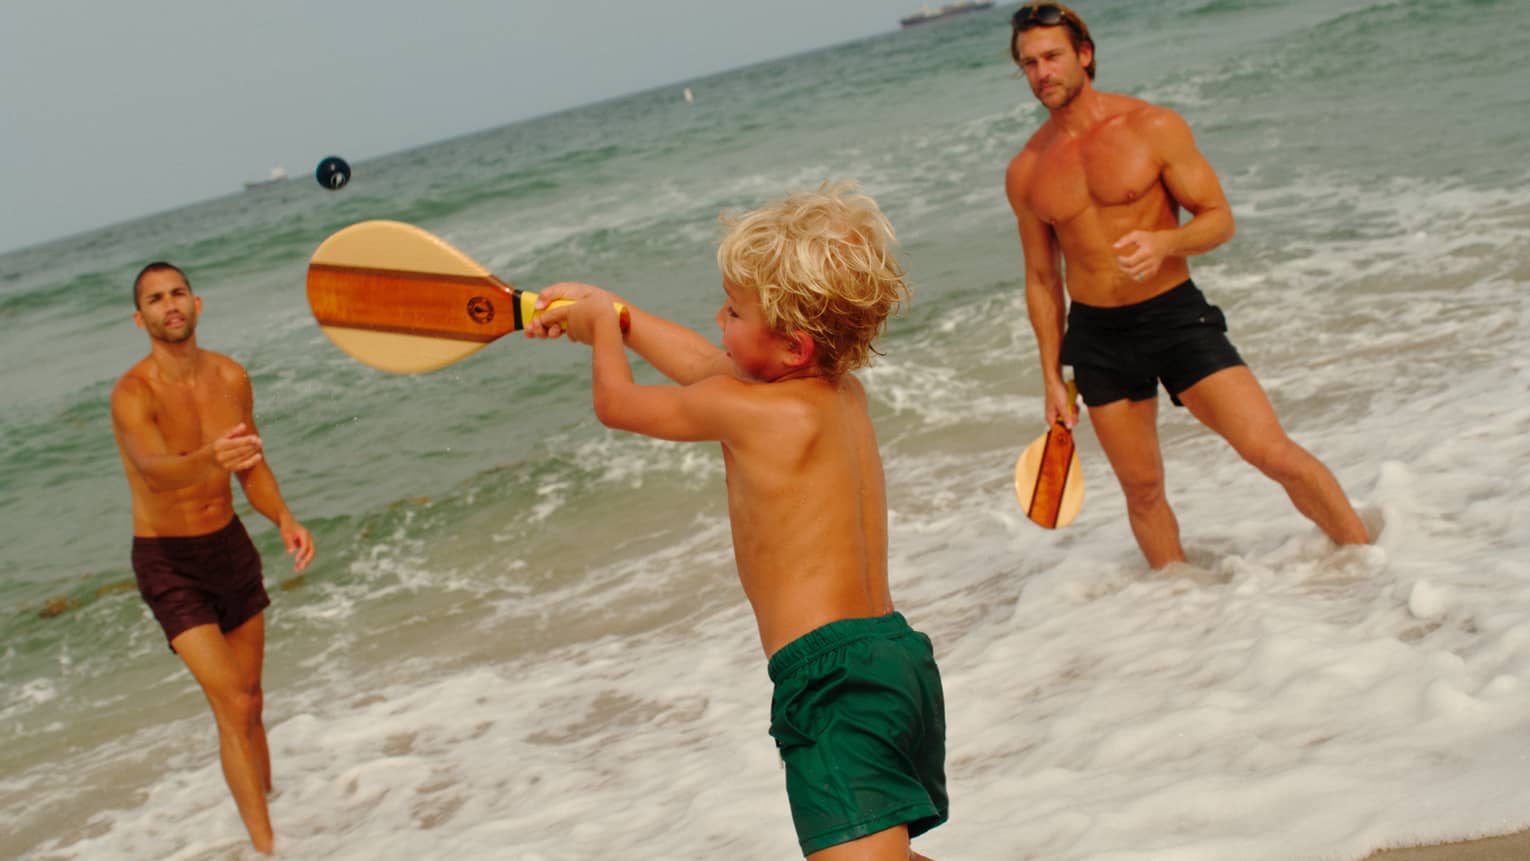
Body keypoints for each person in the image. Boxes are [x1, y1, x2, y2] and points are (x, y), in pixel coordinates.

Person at [525, 183, 947, 860]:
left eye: (733, 310)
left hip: (829, 677)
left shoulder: (749, 410)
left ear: (793, 348)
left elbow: (619, 403)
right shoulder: (838, 392)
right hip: (895, 658)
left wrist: (601, 330)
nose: (718, 317)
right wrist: (616, 311)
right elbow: (704, 364)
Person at [1003, 2, 1369, 568]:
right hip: (1098, 338)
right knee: (1142, 491)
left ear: (1085, 54)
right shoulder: (1027, 170)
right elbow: (1041, 279)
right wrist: (1050, 374)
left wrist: (1165, 243)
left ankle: (1371, 562)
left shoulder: (1151, 126)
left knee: (1270, 452)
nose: (1041, 72)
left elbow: (1218, 218)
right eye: (1028, 63)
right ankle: (1182, 613)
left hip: (1174, 316)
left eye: (1051, 56)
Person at [110, 262, 315, 855]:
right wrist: (211, 457)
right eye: (154, 298)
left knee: (252, 698)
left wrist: (284, 518)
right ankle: (267, 847)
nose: (168, 304)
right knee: (230, 701)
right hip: (168, 561)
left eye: (177, 293)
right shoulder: (133, 393)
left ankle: (275, 805)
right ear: (139, 317)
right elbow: (155, 471)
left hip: (229, 547)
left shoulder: (230, 377)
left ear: (197, 304)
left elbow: (250, 463)